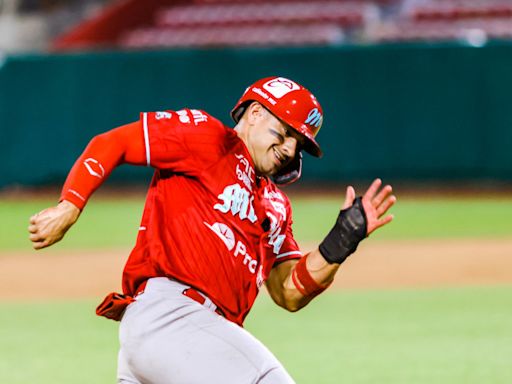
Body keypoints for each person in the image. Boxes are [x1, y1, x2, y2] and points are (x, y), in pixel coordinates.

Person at [28, 76, 396, 384]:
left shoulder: (277, 205)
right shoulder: (206, 137)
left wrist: (341, 242)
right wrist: (70, 205)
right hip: (171, 316)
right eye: (283, 132)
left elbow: (289, 292)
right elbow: (113, 143)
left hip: (188, 345)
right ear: (254, 113)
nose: (288, 148)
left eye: (297, 143)